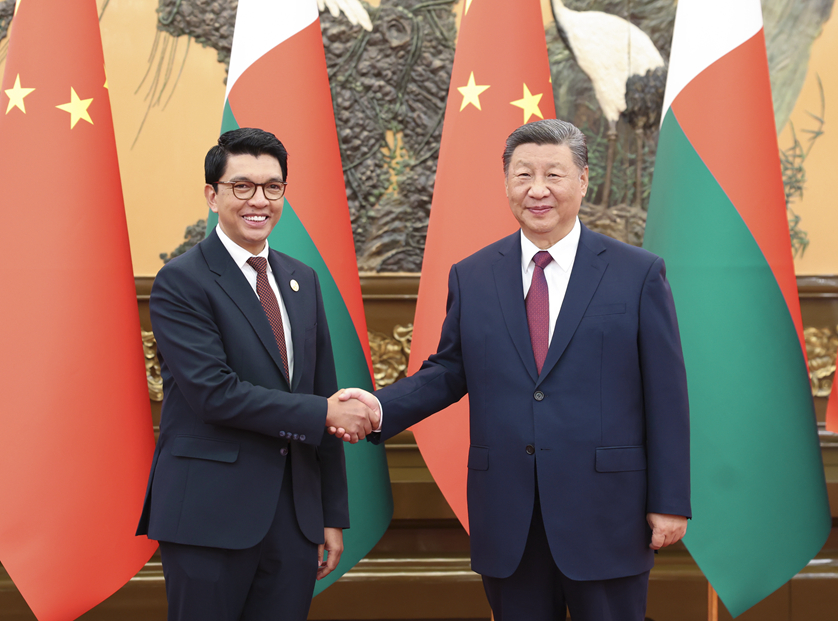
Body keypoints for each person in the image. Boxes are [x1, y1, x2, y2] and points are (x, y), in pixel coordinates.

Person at [337, 119, 691, 621]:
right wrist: (378, 407)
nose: (538, 190)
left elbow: (667, 395)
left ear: (583, 180)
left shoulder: (637, 273)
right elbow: (449, 371)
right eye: (523, 175)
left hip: (608, 513)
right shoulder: (474, 275)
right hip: (510, 516)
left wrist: (670, 499)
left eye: (554, 174)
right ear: (506, 182)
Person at [136, 127, 378, 621]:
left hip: (293, 520)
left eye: (273, 187)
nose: (259, 201)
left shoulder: (301, 279)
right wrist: (324, 412)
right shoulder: (182, 281)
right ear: (212, 195)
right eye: (242, 186)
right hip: (208, 517)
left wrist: (329, 514)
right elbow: (215, 394)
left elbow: (319, 390)